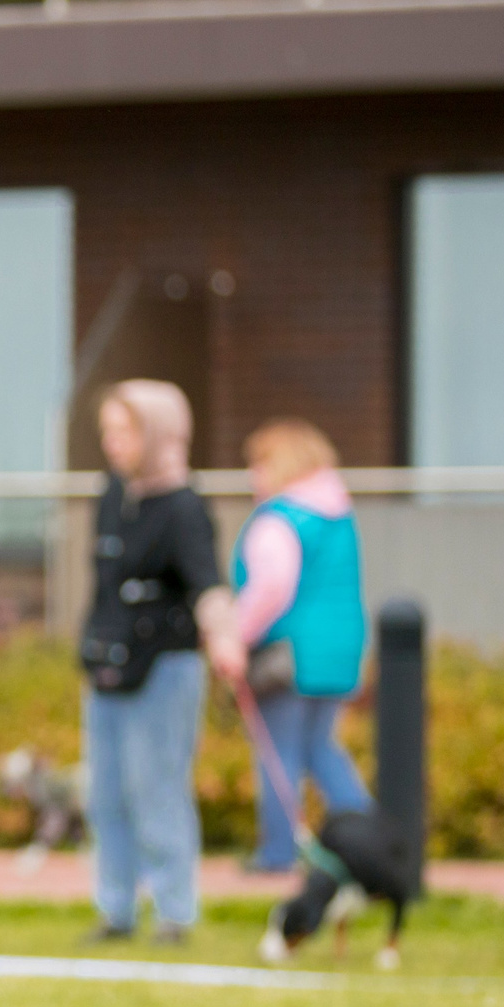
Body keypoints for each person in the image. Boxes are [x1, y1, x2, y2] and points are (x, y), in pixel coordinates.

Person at [77, 380, 232, 944]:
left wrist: (225, 639)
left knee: (157, 786)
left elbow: (206, 584)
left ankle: (174, 911)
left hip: (164, 667)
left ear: (158, 433)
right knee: (106, 792)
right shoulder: (111, 497)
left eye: (125, 430)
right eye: (108, 431)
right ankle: (115, 910)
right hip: (106, 664)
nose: (113, 443)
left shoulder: (185, 506)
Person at [208, 418, 371, 873]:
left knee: (278, 750)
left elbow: (271, 587)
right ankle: (367, 837)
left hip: (288, 654)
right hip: (340, 650)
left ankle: (278, 853)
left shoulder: (281, 519)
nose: (251, 475)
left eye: (258, 463)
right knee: (321, 746)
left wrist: (234, 636)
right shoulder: (337, 512)